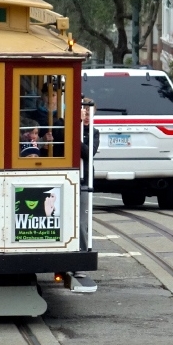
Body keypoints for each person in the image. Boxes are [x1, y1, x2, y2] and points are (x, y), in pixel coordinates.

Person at [79, 97, 99, 252]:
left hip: (85, 178)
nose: (86, 116)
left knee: (82, 219)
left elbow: (89, 153)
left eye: (89, 113)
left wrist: (78, 141)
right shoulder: (71, 127)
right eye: (84, 112)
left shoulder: (94, 132)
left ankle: (83, 250)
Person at [34, 83, 65, 157]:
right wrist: (41, 141)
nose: (50, 99)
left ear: (59, 97)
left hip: (62, 158)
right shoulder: (35, 116)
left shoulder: (67, 115)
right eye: (47, 95)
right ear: (42, 97)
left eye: (53, 95)